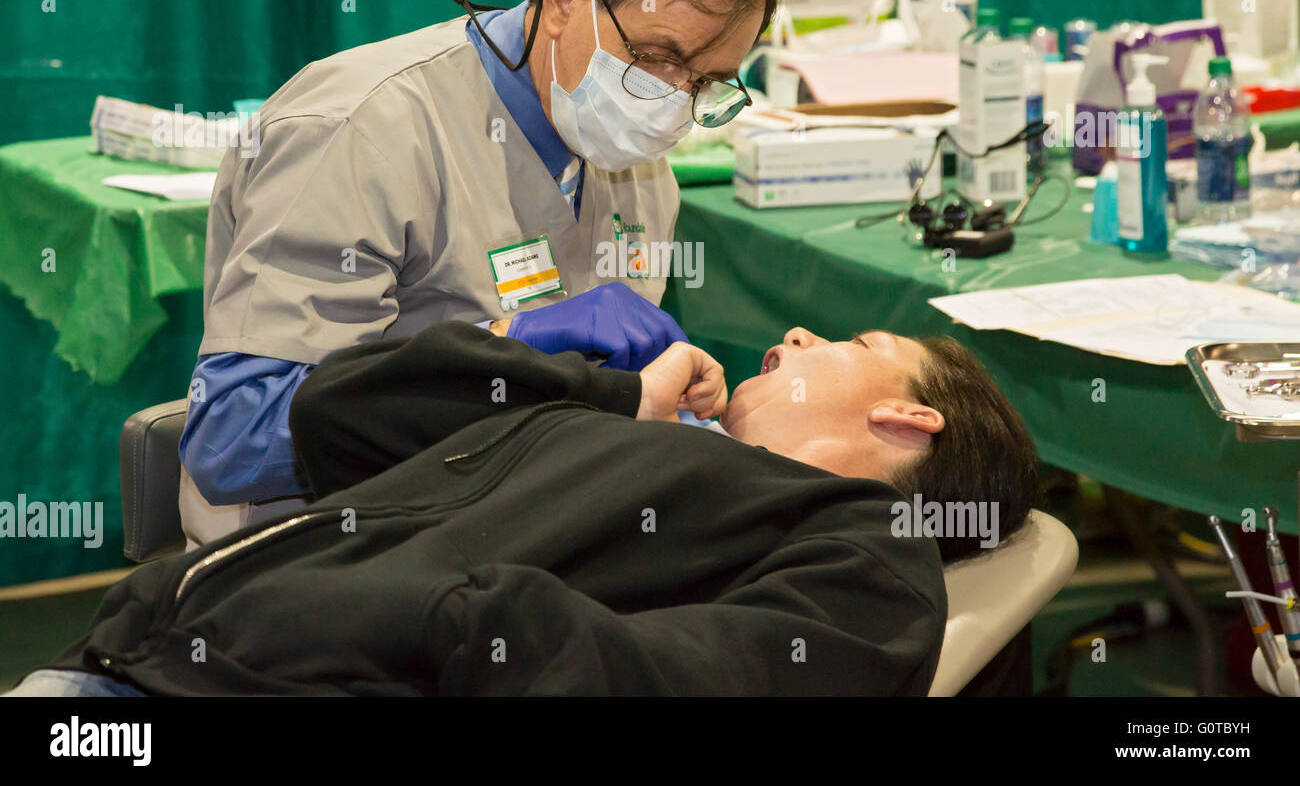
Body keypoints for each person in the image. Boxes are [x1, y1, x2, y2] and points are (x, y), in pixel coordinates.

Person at [176, 0, 786, 546]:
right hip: (327, 549)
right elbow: (232, 440)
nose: (673, 102)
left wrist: (653, 397)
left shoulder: (635, 166)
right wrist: (502, 354)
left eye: (707, 82)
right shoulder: (357, 132)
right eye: (654, 58)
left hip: (520, 531)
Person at [7, 320, 1038, 696]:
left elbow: (682, 680)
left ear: (909, 417)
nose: (795, 335)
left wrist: (447, 616)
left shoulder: (864, 552)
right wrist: (598, 388)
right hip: (137, 653)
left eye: (847, 346)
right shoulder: (631, 432)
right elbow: (340, 410)